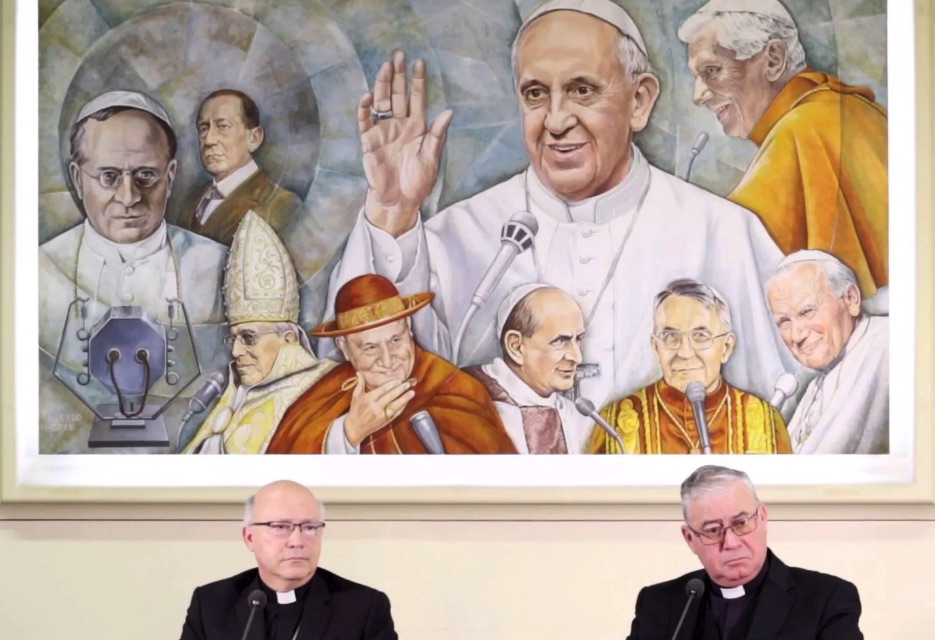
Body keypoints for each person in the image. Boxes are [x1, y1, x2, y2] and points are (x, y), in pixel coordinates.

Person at [326, 0, 795, 413]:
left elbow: (785, 403)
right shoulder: (462, 232)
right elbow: (367, 371)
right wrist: (392, 209)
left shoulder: (722, 232)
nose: (554, 120)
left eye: (582, 90)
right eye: (535, 94)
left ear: (640, 100)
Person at [38, 90, 229, 453]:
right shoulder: (34, 274)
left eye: (146, 176)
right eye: (108, 176)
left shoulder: (218, 266)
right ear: (78, 179)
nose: (129, 197)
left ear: (170, 176)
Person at [678, 0, 888, 299]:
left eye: (712, 70)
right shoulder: (851, 111)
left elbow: (730, 256)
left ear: (773, 60)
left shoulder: (801, 129)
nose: (698, 95)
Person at [267, 274, 517, 454]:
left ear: (409, 328)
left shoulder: (456, 388)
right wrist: (349, 432)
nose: (387, 361)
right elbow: (282, 473)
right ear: (344, 348)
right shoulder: (327, 393)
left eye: (395, 340)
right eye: (370, 348)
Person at [626, 465, 864, 639]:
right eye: (713, 530)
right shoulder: (657, 604)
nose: (730, 542)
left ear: (762, 518)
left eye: (741, 523)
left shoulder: (826, 599)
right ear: (690, 539)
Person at [180, 212, 337, 454]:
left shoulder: (319, 395)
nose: (235, 351)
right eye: (233, 339)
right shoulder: (238, 393)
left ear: (289, 340)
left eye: (248, 338)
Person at [591, 279, 790, 454]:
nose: (685, 353)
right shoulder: (613, 424)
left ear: (726, 347)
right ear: (656, 347)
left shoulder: (765, 422)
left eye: (700, 337)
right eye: (671, 337)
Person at [180, 480, 397, 639]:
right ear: (249, 538)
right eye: (280, 527)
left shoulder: (363, 608)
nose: (297, 541)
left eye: (310, 527)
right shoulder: (211, 605)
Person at [766, 250, 888, 454]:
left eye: (807, 312)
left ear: (851, 299)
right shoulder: (816, 383)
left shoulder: (890, 347)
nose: (796, 335)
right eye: (784, 322)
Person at [464, 283, 595, 454]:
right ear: (516, 346)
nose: (577, 357)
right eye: (560, 341)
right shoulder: (466, 400)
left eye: (578, 339)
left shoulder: (575, 416)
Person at [175, 89, 302, 246]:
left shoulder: (282, 205)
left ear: (254, 138)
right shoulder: (192, 202)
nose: (208, 140)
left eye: (223, 126)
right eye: (203, 128)